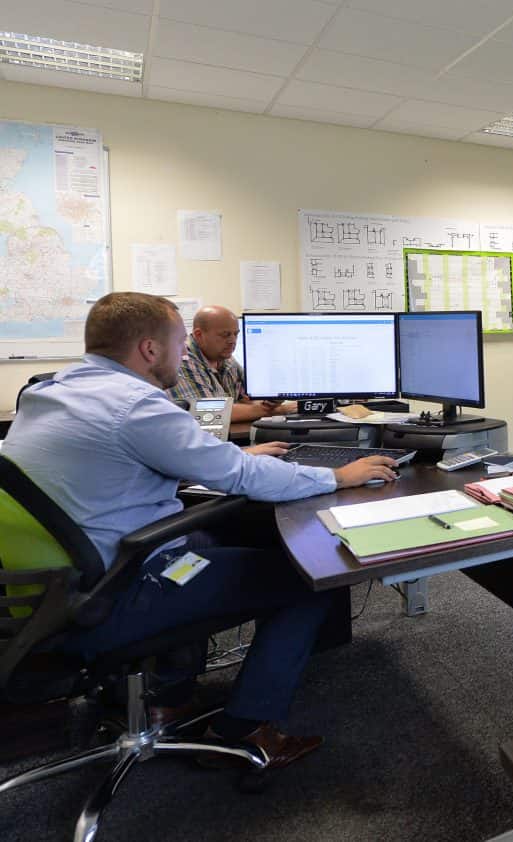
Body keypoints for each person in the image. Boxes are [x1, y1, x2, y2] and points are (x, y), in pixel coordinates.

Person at [3, 292, 398, 769]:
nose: (184, 353)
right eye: (178, 343)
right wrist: (338, 476)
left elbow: (123, 464)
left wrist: (230, 460)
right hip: (112, 595)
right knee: (310, 578)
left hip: (45, 593)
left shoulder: (50, 391)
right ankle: (245, 729)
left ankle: (168, 696)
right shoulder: (136, 407)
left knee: (209, 542)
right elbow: (242, 479)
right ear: (150, 349)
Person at [169, 304, 287, 423]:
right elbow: (211, 414)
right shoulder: (183, 361)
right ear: (199, 335)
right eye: (225, 335)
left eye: (236, 334)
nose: (232, 341)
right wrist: (281, 410)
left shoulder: (226, 358)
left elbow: (257, 399)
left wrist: (264, 401)